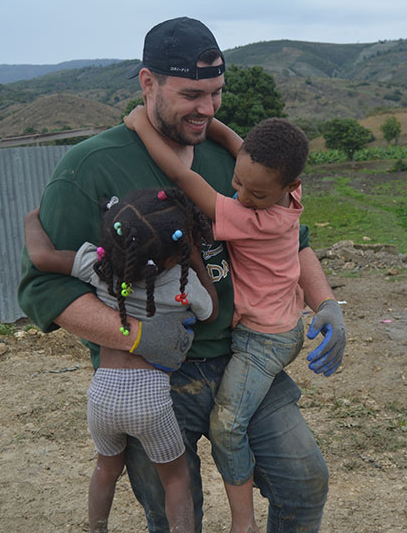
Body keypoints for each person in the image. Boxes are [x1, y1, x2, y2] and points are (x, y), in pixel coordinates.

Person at [18, 16, 347, 532]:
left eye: (216, 93)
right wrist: (138, 333)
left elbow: (293, 243)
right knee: (175, 518)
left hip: (243, 353)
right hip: (149, 379)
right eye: (192, 93)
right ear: (148, 82)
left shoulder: (236, 162)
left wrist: (326, 303)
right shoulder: (91, 168)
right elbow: (45, 288)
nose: (208, 108)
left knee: (304, 485)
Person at [125, 108, 325, 532]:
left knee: (227, 425)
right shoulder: (288, 194)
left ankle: (242, 522)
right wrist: (208, 123)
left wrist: (143, 126)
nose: (243, 196)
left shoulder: (256, 219)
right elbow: (243, 150)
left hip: (263, 340)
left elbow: (185, 181)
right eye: (237, 183)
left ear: (286, 188)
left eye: (255, 193)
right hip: (276, 326)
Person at [24, 187, 218, 533]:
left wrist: (31, 219)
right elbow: (211, 311)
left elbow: (42, 257)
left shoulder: (100, 268)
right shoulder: (181, 284)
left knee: (106, 469)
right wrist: (194, 258)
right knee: (175, 480)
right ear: (174, 254)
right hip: (150, 401)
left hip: (101, 396)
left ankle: (96, 527)